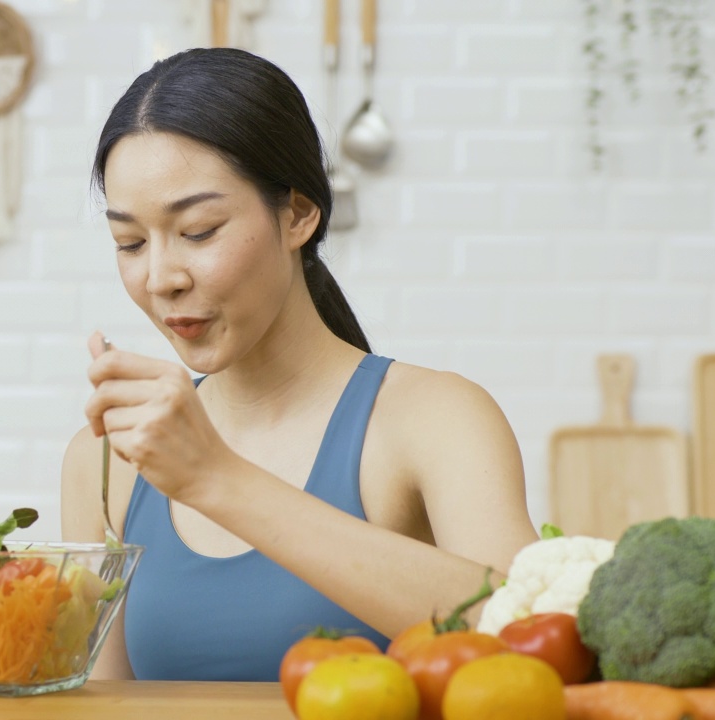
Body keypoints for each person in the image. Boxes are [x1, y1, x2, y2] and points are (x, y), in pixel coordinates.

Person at [60, 47, 538, 682]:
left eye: (199, 230)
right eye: (130, 242)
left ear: (299, 214)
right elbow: (98, 703)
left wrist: (214, 478)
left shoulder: (434, 419)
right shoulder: (107, 460)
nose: (160, 278)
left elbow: (527, 632)